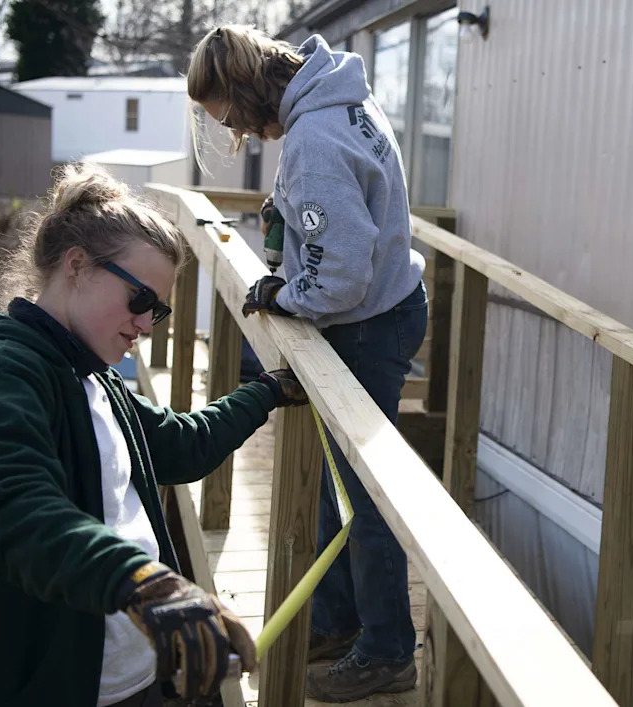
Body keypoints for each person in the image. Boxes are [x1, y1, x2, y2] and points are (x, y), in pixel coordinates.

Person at [0, 163, 309, 707]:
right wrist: (145, 582)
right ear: (76, 266)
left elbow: (180, 445)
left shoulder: (92, 377)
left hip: (133, 677)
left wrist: (265, 392)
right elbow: (13, 509)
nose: (147, 325)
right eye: (141, 301)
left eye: (159, 311)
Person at [187, 26, 428, 703]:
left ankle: (386, 650)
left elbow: (341, 277)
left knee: (366, 492)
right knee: (337, 482)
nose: (240, 132)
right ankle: (335, 620)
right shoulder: (338, 99)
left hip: (368, 324)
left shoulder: (314, 144)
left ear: (248, 89)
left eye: (232, 117)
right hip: (389, 305)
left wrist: (283, 293)